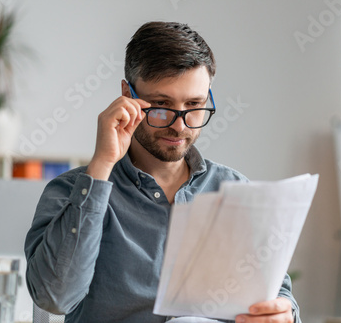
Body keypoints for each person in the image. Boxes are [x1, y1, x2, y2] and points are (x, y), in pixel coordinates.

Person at [25, 21, 301, 323]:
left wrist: (282, 314)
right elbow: (55, 297)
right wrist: (102, 165)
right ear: (126, 94)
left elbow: (278, 297)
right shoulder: (72, 191)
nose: (179, 125)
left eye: (194, 105)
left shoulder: (235, 190)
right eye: (160, 104)